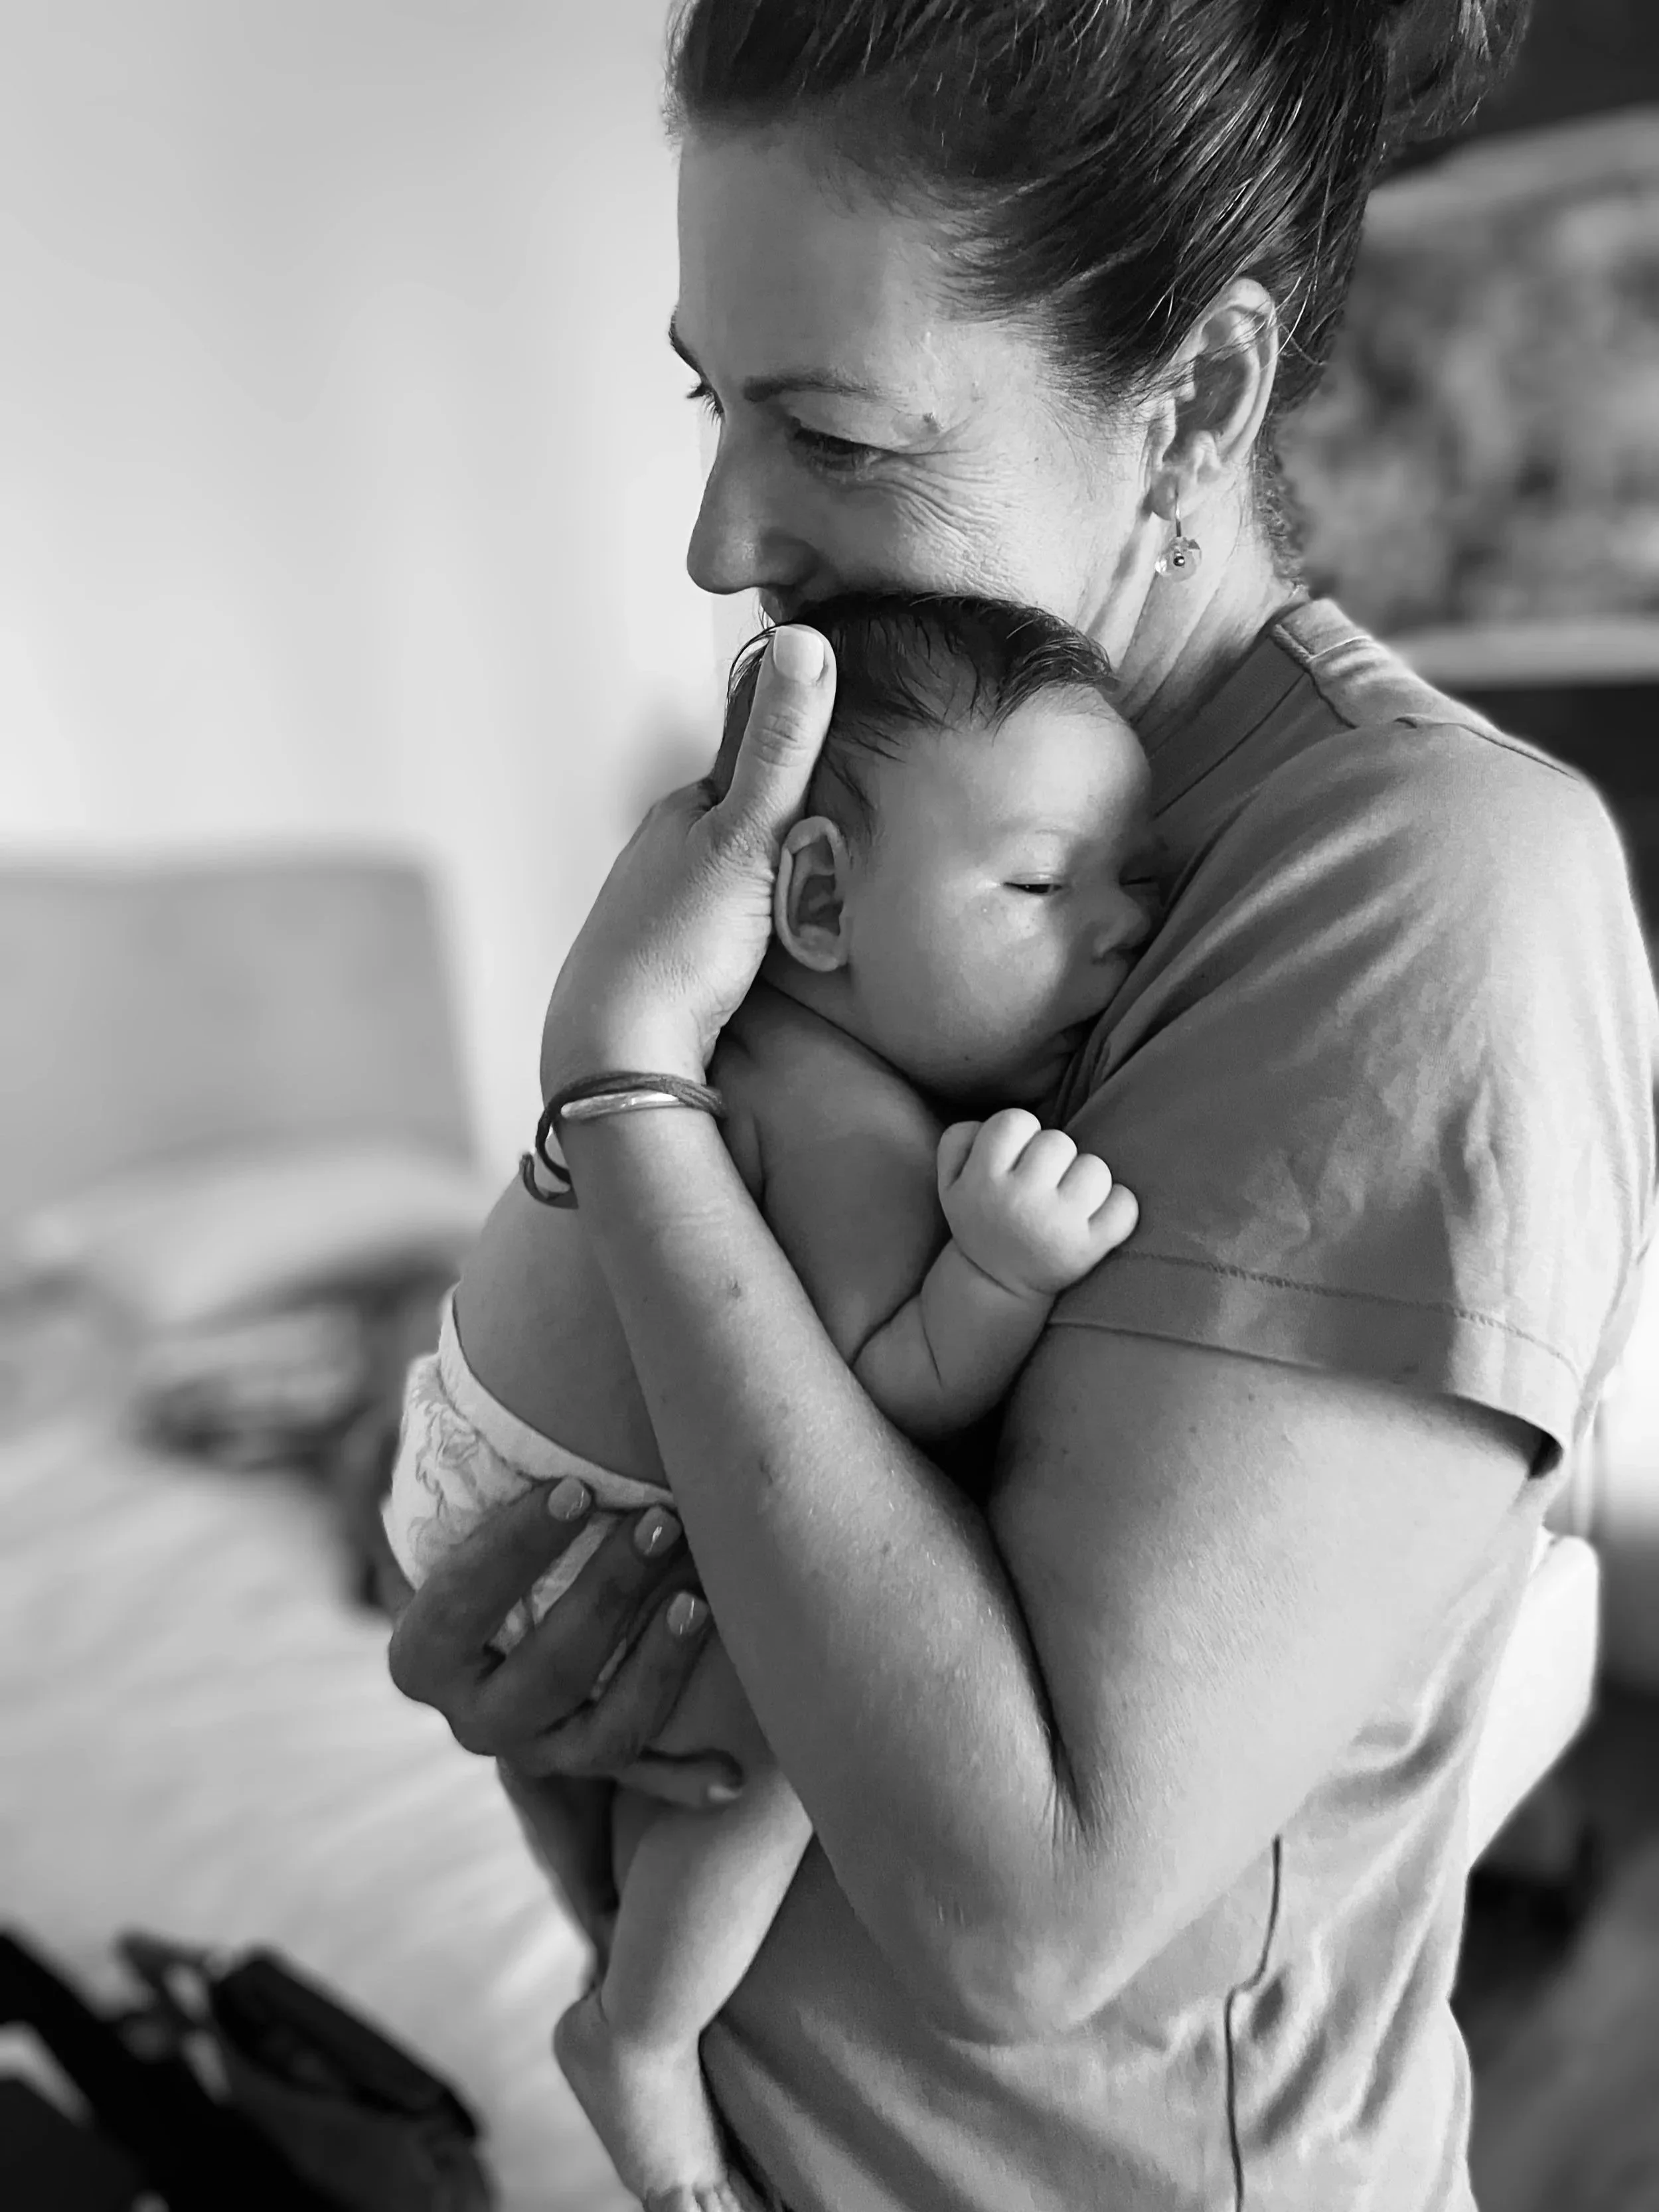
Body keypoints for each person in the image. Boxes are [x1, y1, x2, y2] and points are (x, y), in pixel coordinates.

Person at [386, 2, 1659, 2205]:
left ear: (1185, 408)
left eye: (834, 434)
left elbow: (1018, 1906)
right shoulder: (853, 814)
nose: (716, 540)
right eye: (710, 402)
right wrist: (510, 1640)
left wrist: (620, 1082)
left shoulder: (1412, 882)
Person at [380, 593, 1152, 2207]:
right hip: (563, 1530)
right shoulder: (848, 1119)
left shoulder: (722, 1036)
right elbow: (888, 1396)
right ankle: (643, 2035)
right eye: (1035, 884)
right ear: (812, 899)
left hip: (468, 1467)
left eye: (1126, 886)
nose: (1116, 932)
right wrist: (1005, 1268)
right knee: (807, 1727)